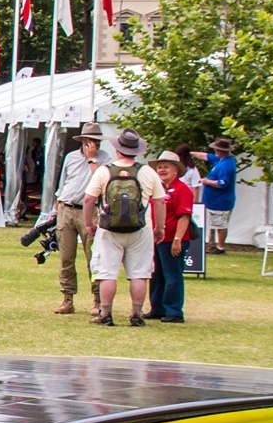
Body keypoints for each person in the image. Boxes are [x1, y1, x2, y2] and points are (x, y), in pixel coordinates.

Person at [82, 129, 167, 327]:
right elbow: (161, 201)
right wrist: (160, 227)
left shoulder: (104, 170)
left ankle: (106, 313)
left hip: (109, 227)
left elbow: (88, 199)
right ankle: (136, 313)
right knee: (139, 273)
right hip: (140, 227)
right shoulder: (147, 172)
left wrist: (89, 223)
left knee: (107, 273)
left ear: (118, 149)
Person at [51, 128, 108, 315]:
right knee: (66, 257)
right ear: (83, 140)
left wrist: (92, 159)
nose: (95, 144)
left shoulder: (105, 159)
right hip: (67, 208)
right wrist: (56, 207)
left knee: (93, 256)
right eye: (91, 140)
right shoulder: (71, 157)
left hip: (89, 211)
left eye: (97, 141)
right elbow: (63, 183)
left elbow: (102, 182)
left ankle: (98, 299)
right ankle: (67, 298)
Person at [147, 152, 193, 323]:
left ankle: (174, 310)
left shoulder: (182, 189)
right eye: (159, 167)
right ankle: (157, 308)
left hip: (172, 239)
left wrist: (177, 239)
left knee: (172, 275)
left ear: (176, 170)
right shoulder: (156, 189)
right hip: (157, 240)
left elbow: (184, 216)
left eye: (166, 166)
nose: (162, 170)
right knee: (156, 275)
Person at [199, 137, 237, 254]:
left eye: (216, 149)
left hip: (221, 201)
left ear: (221, 150)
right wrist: (189, 153)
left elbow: (222, 183)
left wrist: (207, 181)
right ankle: (211, 245)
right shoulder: (221, 160)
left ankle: (220, 247)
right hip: (214, 201)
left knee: (220, 224)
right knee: (214, 223)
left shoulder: (226, 165)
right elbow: (206, 156)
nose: (215, 151)